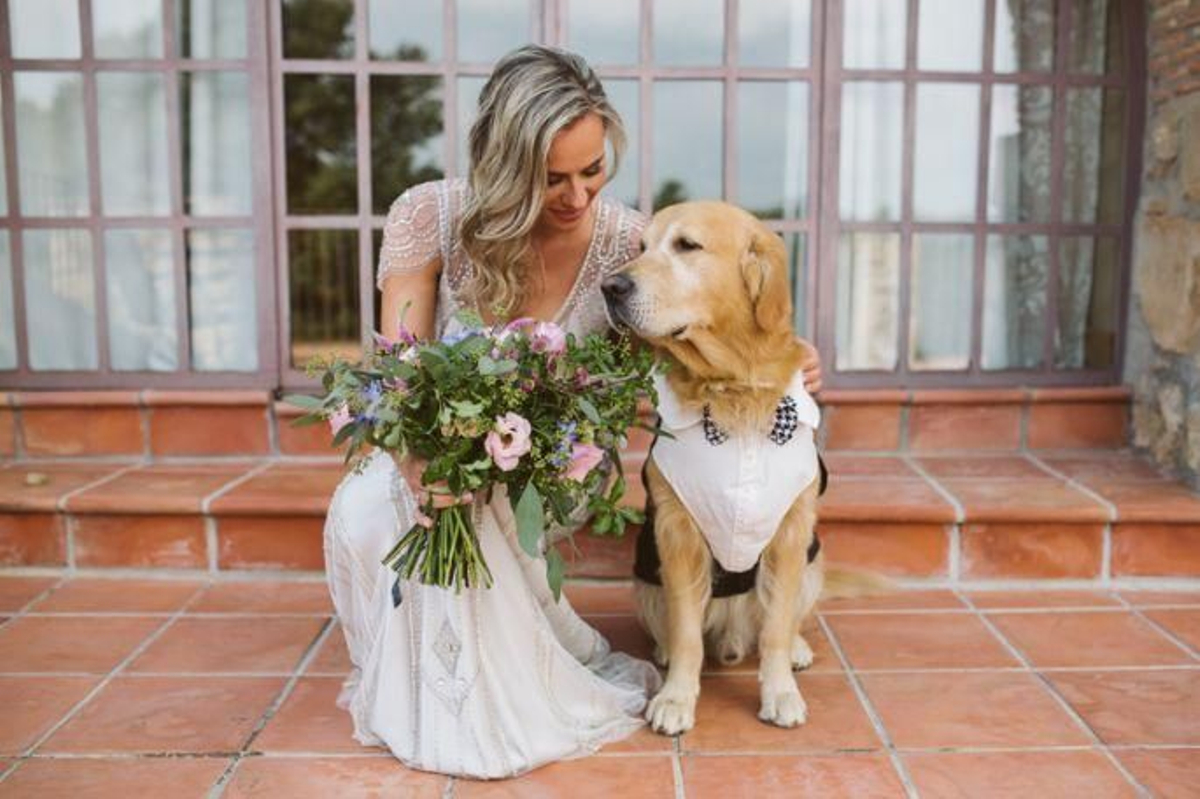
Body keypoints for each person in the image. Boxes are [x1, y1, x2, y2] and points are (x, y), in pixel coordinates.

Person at [323, 43, 823, 779]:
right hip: (429, 448)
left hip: (555, 462)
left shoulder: (626, 239)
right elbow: (399, 370)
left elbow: (709, 312)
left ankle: (503, 669)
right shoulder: (426, 216)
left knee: (489, 504)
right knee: (372, 509)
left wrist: (787, 348)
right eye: (551, 177)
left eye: (594, 170)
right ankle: (452, 679)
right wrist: (421, 464)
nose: (577, 195)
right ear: (502, 163)